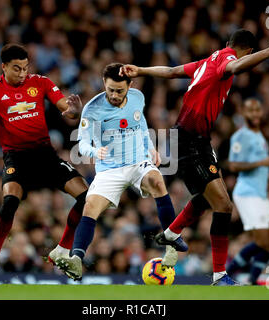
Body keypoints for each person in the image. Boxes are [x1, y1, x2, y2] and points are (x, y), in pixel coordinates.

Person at [120, 27, 269, 285]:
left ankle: (171, 232)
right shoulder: (227, 59)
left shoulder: (207, 61)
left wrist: (142, 70)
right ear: (247, 51)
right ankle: (219, 274)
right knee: (223, 205)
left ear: (228, 42)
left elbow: (171, 72)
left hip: (196, 140)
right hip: (190, 140)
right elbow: (235, 68)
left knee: (205, 198)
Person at [0, 43, 88, 284]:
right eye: (16, 69)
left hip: (45, 155)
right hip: (16, 158)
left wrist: (74, 111)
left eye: (25, 68)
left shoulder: (41, 82)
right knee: (9, 202)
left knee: (86, 198)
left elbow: (66, 110)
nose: (22, 74)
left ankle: (61, 250)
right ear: (3, 67)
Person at [54, 63, 187, 281]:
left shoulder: (137, 97)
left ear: (130, 86)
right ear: (104, 84)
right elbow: (83, 143)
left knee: (157, 180)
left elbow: (140, 122)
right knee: (90, 206)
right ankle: (76, 259)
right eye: (110, 90)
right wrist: (96, 151)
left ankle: (171, 245)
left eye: (119, 91)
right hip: (110, 169)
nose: (114, 95)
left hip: (137, 163)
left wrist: (151, 147)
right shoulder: (92, 109)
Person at [225, 98, 269, 285]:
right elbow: (233, 165)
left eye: (257, 110)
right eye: (251, 111)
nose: (255, 114)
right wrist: (261, 163)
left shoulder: (259, 136)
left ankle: (250, 281)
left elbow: (264, 166)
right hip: (247, 192)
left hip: (261, 193)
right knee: (262, 241)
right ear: (244, 113)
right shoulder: (241, 136)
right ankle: (226, 274)